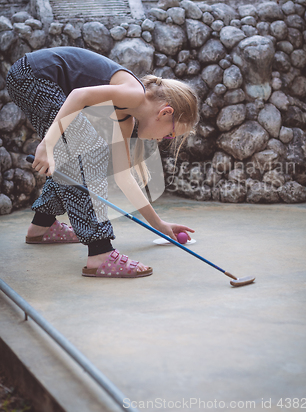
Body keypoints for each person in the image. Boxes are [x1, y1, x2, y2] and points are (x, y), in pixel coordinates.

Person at [6, 46, 199, 279]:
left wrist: (159, 224)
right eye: (170, 134)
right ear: (165, 113)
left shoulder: (126, 118)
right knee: (87, 153)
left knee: (80, 154)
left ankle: (43, 226)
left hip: (32, 77)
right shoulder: (134, 93)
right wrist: (48, 144)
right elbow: (78, 96)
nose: (163, 140)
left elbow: (122, 176)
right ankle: (100, 254)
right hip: (32, 75)